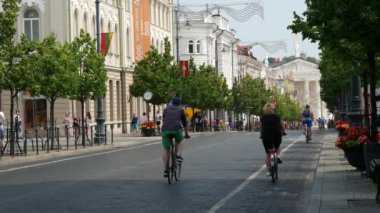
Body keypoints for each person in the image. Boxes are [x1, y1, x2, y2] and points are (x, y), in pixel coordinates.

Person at [161, 97, 190, 178]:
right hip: (176, 129)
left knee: (166, 149)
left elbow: (164, 120)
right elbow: (184, 123)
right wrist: (186, 134)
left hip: (165, 130)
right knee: (180, 141)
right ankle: (178, 155)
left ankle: (166, 170)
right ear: (179, 104)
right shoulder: (181, 110)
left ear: (172, 103)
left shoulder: (166, 109)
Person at [260, 102, 284, 176]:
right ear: (272, 109)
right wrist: (283, 132)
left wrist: (261, 135)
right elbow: (281, 125)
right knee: (277, 146)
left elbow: (261, 128)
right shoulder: (277, 116)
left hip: (266, 137)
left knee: (268, 154)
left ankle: (269, 171)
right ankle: (278, 156)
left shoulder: (263, 118)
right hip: (276, 136)